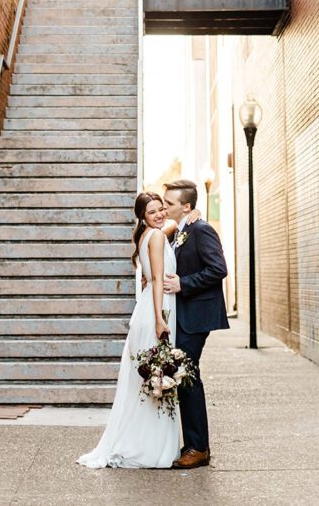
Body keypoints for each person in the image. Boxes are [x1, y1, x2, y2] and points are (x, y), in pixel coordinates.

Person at [77, 192, 198, 469]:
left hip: (150, 306)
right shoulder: (155, 237)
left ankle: (144, 442)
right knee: (156, 378)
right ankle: (149, 449)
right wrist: (159, 318)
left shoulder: (147, 235)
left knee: (150, 380)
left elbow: (168, 231)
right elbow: (156, 279)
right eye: (152, 211)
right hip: (158, 308)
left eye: (161, 209)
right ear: (142, 216)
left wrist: (192, 218)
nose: (159, 214)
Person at [163, 179, 229, 470]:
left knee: (188, 378)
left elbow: (218, 269)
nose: (165, 207)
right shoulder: (182, 230)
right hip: (185, 315)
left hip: (196, 317)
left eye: (169, 204)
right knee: (185, 377)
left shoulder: (201, 229)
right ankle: (195, 443)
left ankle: (198, 447)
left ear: (185, 206)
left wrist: (183, 284)